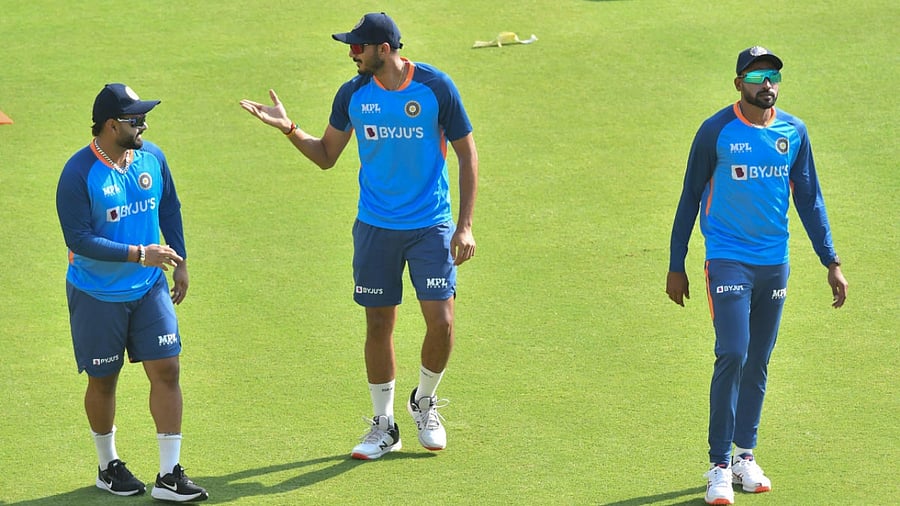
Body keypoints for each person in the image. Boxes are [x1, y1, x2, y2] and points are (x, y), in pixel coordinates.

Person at [239, 12, 478, 460]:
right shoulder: (353, 94)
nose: (351, 54)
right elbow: (326, 155)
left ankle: (424, 401)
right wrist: (288, 127)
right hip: (375, 226)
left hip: (430, 225)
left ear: (383, 50)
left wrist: (464, 225)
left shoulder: (436, 87)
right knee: (378, 324)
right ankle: (384, 425)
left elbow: (467, 153)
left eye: (357, 47)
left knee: (442, 322)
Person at [666, 47, 848, 505]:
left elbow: (810, 200)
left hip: (774, 263)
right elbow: (690, 196)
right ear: (738, 84)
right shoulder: (715, 131)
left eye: (772, 76)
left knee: (759, 360)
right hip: (727, 258)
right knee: (733, 352)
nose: (766, 84)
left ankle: (745, 456)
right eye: (755, 77)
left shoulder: (794, 132)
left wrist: (831, 261)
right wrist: (676, 263)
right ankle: (718, 466)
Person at [56, 83, 208, 502]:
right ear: (111, 125)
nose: (144, 126)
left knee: (168, 370)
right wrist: (141, 254)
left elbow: (169, 207)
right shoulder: (78, 173)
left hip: (148, 288)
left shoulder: (151, 158)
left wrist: (180, 261)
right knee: (104, 381)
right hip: (97, 294)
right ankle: (108, 466)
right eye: (135, 120)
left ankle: (169, 475)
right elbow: (78, 239)